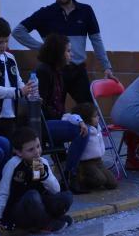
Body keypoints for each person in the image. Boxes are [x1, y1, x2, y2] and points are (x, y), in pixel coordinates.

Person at [11, 0, 117, 103]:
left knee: (89, 110)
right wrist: (44, 48)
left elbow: (96, 41)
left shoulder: (86, 11)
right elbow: (18, 31)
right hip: (54, 72)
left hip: (78, 71)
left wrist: (107, 67)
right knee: (52, 111)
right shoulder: (45, 13)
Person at [36, 33, 90, 194]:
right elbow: (41, 105)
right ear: (57, 53)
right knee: (82, 132)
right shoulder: (43, 71)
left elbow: (58, 103)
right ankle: (69, 174)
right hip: (41, 124)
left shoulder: (59, 71)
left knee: (83, 127)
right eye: (67, 51)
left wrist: (70, 118)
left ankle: (67, 173)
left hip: (54, 120)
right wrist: (65, 120)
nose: (71, 54)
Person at [0, 127, 73, 233]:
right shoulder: (13, 164)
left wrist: (44, 176)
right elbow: (3, 192)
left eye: (38, 146)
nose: (37, 152)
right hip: (20, 209)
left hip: (38, 206)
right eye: (31, 150)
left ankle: (44, 221)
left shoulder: (41, 161)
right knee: (32, 195)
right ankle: (47, 224)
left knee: (67, 196)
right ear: (18, 152)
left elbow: (56, 190)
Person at [0, 18, 34, 138]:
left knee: (10, 146)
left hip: (10, 113)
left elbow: (18, 81)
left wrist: (27, 91)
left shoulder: (10, 58)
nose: (4, 46)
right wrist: (19, 92)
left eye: (6, 41)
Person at [69, 103, 117, 191]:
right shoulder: (83, 128)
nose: (98, 117)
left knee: (112, 183)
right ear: (86, 118)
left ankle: (95, 179)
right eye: (95, 116)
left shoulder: (97, 127)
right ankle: (82, 178)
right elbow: (69, 116)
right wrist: (81, 122)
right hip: (86, 162)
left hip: (99, 161)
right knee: (100, 180)